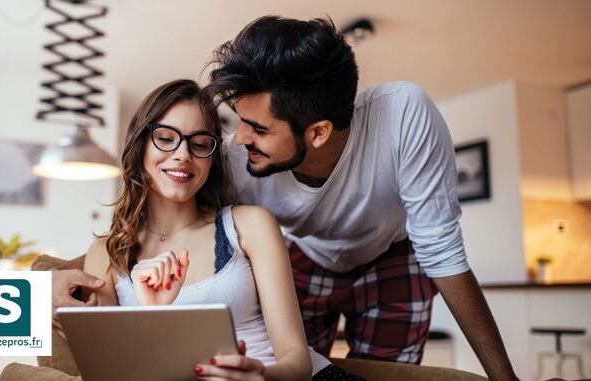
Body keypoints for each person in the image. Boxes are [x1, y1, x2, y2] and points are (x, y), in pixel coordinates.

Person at [54, 15, 518, 380]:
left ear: (317, 133)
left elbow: (440, 249)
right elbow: (132, 244)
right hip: (305, 258)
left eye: (255, 129)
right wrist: (45, 288)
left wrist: (505, 379)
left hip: (390, 256)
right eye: (235, 125)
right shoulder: (234, 163)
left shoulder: (400, 116)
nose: (236, 143)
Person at [79, 79, 361, 380]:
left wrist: (261, 376)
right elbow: (106, 371)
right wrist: (149, 312)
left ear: (213, 158)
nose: (183, 154)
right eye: (165, 138)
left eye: (199, 144)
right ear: (139, 145)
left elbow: (297, 359)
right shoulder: (104, 253)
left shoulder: (250, 225)